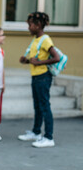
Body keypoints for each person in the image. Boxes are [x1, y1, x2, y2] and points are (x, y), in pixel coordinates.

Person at [18, 12, 60, 148]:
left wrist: (39, 63)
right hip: (36, 76)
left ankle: (49, 137)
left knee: (44, 106)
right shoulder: (35, 39)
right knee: (38, 106)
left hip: (43, 77)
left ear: (38, 25)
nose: (28, 27)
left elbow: (56, 57)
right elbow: (35, 59)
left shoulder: (46, 39)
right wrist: (26, 60)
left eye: (30, 25)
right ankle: (36, 132)